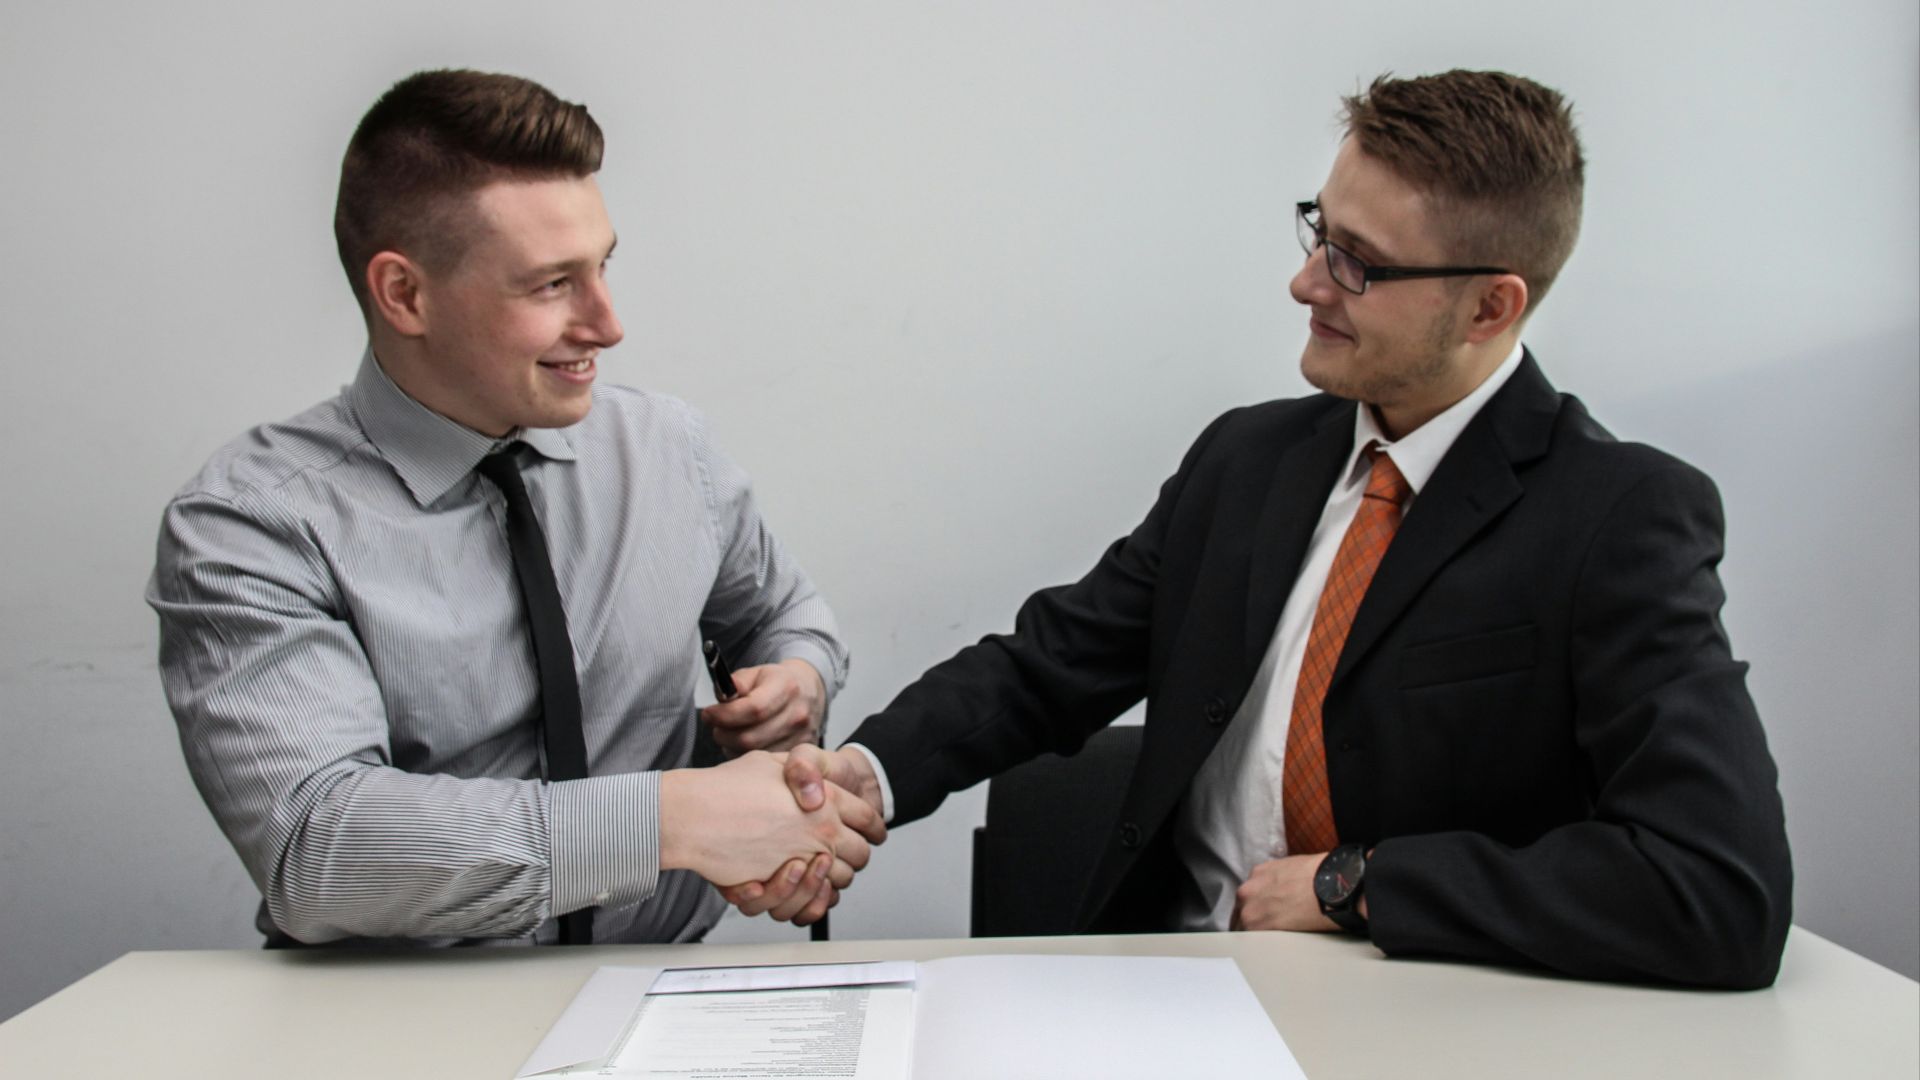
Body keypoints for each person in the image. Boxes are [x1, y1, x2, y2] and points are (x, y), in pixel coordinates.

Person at [732, 70, 1793, 989]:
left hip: (1423, 1025)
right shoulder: (1249, 461)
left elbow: (1717, 889)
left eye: (1358, 265)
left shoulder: (1618, 517)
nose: (1306, 282)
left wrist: (1356, 886)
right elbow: (1046, 668)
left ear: (1490, 308)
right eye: (1318, 233)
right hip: (1167, 997)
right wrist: (858, 779)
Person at [147, 69, 880, 947]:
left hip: (663, 989)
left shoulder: (669, 450)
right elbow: (320, 850)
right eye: (550, 285)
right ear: (405, 295)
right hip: (393, 1023)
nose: (608, 325)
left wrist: (794, 682)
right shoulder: (251, 525)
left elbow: (784, 617)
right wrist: (668, 820)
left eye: (603, 267)